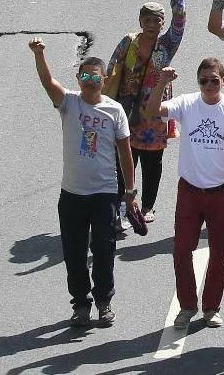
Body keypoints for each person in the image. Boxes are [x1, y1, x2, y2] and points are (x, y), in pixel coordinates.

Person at [29, 38, 137, 329]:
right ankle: (80, 304)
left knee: (104, 251)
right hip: (72, 194)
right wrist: (40, 54)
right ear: (79, 79)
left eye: (95, 76)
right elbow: (47, 81)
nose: (90, 81)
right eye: (84, 76)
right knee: (74, 254)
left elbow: (125, 152)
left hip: (104, 194)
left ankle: (104, 302)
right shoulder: (69, 102)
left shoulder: (114, 110)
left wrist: (130, 192)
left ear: (104, 79)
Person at [158, 58, 224, 331]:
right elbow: (152, 111)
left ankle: (211, 308)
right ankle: (187, 306)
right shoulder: (187, 103)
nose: (208, 85)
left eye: (214, 80)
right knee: (182, 250)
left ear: (223, 81)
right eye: (203, 80)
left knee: (220, 254)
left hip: (223, 192)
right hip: (190, 191)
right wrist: (161, 82)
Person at [102, 0, 186, 224]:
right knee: (124, 161)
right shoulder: (129, 42)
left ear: (162, 23)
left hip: (155, 113)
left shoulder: (167, 43)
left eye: (157, 20)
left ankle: (148, 206)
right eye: (147, 20)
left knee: (152, 162)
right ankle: (120, 207)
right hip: (127, 110)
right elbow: (111, 70)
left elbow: (179, 23)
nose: (152, 24)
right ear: (140, 22)